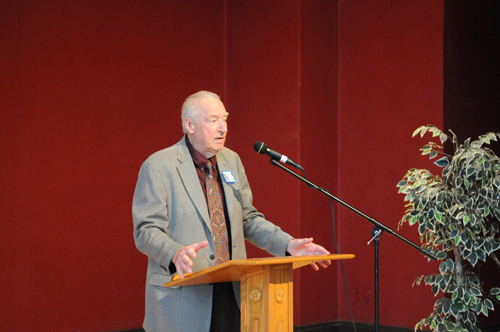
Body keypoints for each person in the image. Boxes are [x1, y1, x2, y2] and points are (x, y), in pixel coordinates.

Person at [132, 90, 330, 332]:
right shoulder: (159, 166)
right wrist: (174, 253)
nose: (223, 128)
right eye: (213, 120)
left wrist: (288, 245)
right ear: (189, 125)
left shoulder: (231, 161)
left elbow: (247, 218)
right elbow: (146, 230)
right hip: (183, 294)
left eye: (224, 119)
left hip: (232, 291)